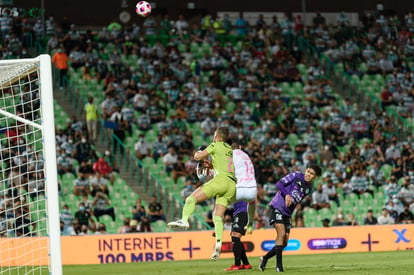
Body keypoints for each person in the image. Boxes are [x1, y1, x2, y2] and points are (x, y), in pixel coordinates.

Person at [168, 127, 237, 261]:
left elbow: (196, 157)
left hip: (220, 181)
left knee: (190, 199)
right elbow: (223, 165)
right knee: (217, 216)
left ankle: (184, 220)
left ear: (216, 136)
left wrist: (199, 151)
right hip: (232, 185)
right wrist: (211, 165)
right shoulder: (230, 150)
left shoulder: (215, 144)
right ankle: (218, 243)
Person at [259, 164, 322, 272]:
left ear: (315, 177)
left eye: (312, 174)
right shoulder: (296, 175)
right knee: (281, 234)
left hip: (287, 213)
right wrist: (287, 195)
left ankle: (265, 258)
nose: (308, 174)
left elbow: (297, 200)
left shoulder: (309, 188)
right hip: (277, 206)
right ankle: (279, 266)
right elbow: (279, 184)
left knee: (285, 243)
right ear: (305, 170)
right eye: (308, 171)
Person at [231, 140, 258, 233]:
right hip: (252, 189)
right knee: (251, 202)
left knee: (221, 201)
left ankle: (218, 226)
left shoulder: (230, 156)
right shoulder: (246, 156)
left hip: (238, 189)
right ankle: (250, 223)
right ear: (240, 147)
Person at [224, 200, 253, 271]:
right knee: (236, 237)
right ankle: (246, 264)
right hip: (239, 212)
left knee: (235, 236)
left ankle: (237, 265)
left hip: (242, 212)